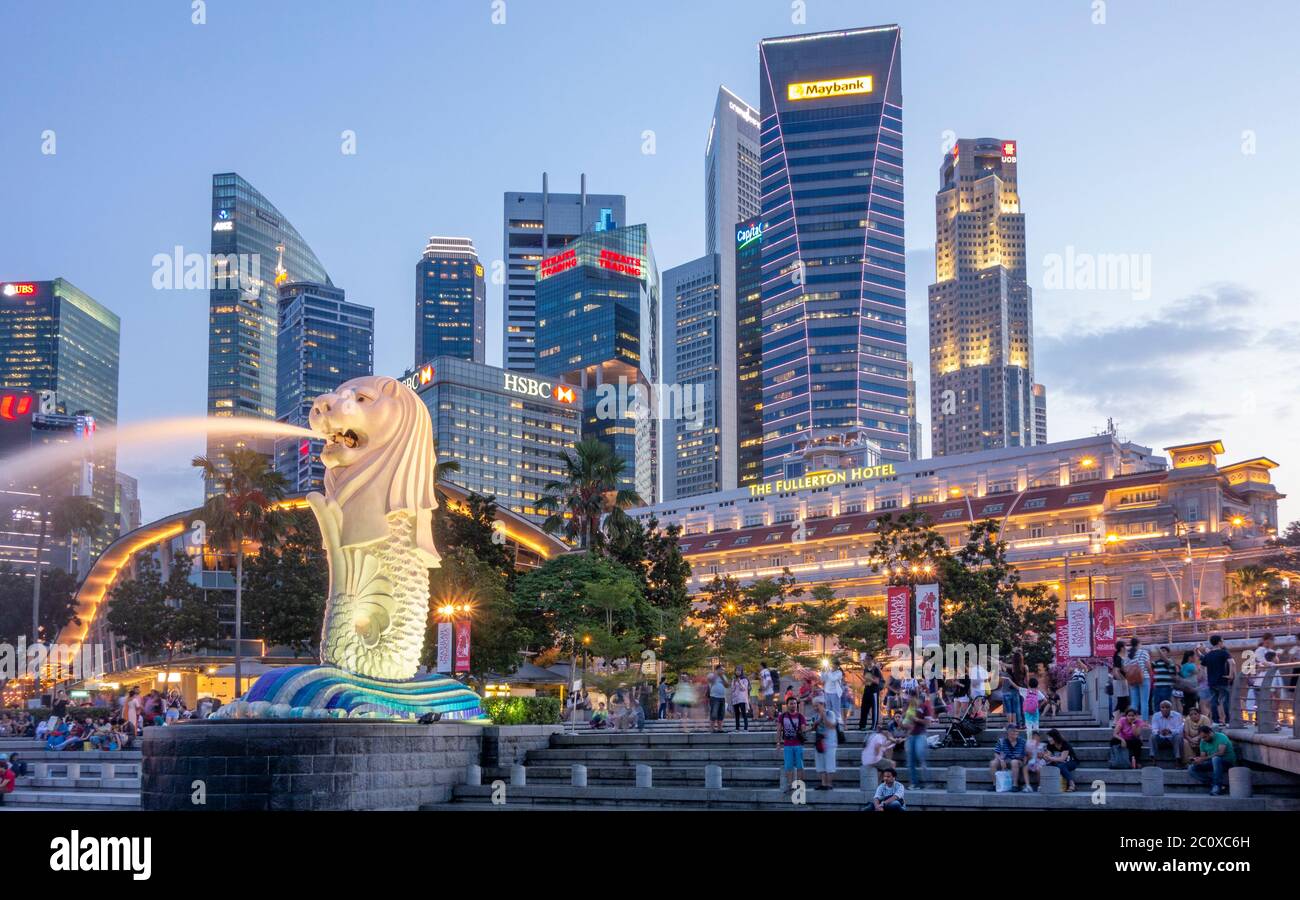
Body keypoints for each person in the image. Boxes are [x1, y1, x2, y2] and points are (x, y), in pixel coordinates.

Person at [1187, 724, 1236, 796]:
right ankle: (1213, 784)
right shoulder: (1203, 741)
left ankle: (1217, 786)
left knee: (1216, 759)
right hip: (1212, 762)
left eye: (1205, 737)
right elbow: (1203, 756)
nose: (1203, 739)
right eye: (1202, 738)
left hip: (1227, 762)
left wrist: (1204, 758)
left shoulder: (1221, 737)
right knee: (1191, 768)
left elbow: (1220, 753)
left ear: (1210, 733)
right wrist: (1197, 760)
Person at [902, 689, 933, 790]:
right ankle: (914, 784)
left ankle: (927, 782)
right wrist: (905, 724)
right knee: (910, 762)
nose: (908, 700)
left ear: (915, 697)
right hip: (910, 736)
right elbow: (905, 723)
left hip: (920, 735)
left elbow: (928, 723)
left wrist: (916, 720)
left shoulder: (925, 706)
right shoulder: (909, 708)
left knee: (921, 758)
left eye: (909, 697)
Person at [1200, 635, 1234, 724]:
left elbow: (1202, 667)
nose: (1223, 643)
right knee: (1226, 700)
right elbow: (1232, 663)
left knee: (1214, 701)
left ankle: (1215, 721)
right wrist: (1230, 675)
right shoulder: (1223, 653)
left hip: (1212, 682)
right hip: (1223, 680)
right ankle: (1227, 721)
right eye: (1222, 641)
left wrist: (1206, 678)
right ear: (1219, 642)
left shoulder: (1208, 655)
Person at [776, 696, 807, 792]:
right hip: (787, 744)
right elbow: (778, 730)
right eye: (791, 703)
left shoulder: (800, 716)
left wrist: (804, 729)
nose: (793, 705)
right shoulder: (782, 716)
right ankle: (790, 785)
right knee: (788, 766)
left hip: (798, 744)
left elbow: (803, 730)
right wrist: (778, 742)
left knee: (799, 766)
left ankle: (800, 785)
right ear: (787, 705)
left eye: (795, 703)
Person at [811, 696, 839, 790]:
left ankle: (829, 784)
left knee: (830, 764)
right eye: (814, 706)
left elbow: (831, 726)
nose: (815, 708)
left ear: (822, 704)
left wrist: (823, 716)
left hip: (830, 743)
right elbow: (813, 728)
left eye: (817, 705)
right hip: (819, 743)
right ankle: (823, 783)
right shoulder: (815, 716)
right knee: (820, 765)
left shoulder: (830, 713)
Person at [989, 724, 1026, 791]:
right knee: (993, 763)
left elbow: (1025, 755)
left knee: (1014, 761)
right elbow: (996, 753)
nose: (1016, 733)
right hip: (1005, 760)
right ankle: (995, 785)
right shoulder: (1001, 741)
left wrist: (1022, 760)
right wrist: (1001, 760)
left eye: (1017, 731)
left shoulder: (1022, 741)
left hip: (1018, 762)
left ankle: (1015, 785)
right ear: (1008, 733)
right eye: (1014, 731)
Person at [1125, 638, 1153, 720]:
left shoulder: (1128, 655)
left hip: (1132, 679)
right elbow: (1148, 666)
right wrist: (1151, 675)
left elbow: (1126, 668)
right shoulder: (1143, 653)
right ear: (1139, 643)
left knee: (1134, 702)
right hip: (1144, 678)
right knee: (1144, 702)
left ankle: (1132, 720)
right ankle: (1144, 721)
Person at [1177, 649, 1201, 716]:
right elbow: (1199, 674)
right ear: (1190, 657)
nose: (1196, 658)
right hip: (1192, 688)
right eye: (1195, 656)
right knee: (1194, 704)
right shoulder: (1191, 665)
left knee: (1187, 704)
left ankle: (1187, 717)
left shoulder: (1183, 665)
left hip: (1185, 688)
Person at [859, 661, 882, 730]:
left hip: (874, 691)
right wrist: (863, 680)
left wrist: (869, 679)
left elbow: (877, 682)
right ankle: (862, 725)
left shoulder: (876, 670)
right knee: (864, 708)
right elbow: (866, 681)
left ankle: (874, 726)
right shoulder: (865, 669)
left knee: (874, 709)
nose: (864, 661)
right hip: (867, 690)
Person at [707, 665, 729, 734]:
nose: (723, 671)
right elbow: (711, 681)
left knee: (721, 714)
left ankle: (720, 728)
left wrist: (722, 676)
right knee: (714, 713)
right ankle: (712, 728)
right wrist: (717, 674)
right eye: (721, 669)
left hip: (722, 697)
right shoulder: (711, 675)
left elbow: (727, 685)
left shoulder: (724, 676)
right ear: (717, 669)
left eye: (723, 670)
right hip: (714, 697)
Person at [730, 666, 751, 732]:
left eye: (739, 670)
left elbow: (744, 688)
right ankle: (737, 728)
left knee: (744, 713)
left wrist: (739, 682)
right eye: (736, 670)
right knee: (736, 714)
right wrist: (733, 683)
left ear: (741, 671)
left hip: (742, 698)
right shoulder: (733, 679)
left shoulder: (745, 679)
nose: (737, 672)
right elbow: (732, 690)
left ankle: (746, 727)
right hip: (735, 699)